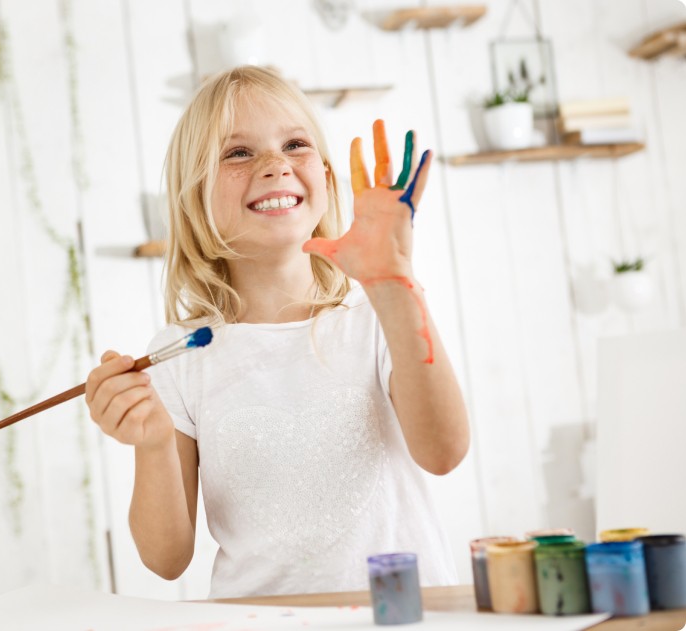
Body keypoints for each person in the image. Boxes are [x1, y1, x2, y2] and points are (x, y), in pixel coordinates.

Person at [85, 65, 469, 598]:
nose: (275, 165)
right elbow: (165, 558)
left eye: (295, 144)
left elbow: (444, 452)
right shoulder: (179, 356)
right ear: (194, 199)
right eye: (238, 153)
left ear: (326, 179)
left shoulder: (379, 312)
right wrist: (151, 445)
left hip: (400, 616)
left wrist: (394, 283)